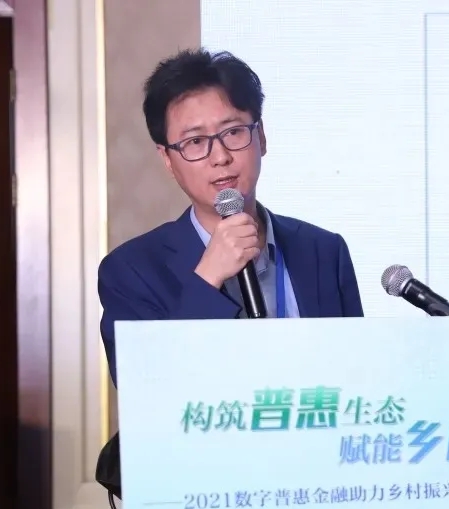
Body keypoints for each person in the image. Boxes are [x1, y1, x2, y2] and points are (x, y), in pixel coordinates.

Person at [98, 49, 364, 385]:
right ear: (167, 159)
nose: (220, 157)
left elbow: (356, 376)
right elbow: (144, 387)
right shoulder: (131, 271)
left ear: (261, 136)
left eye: (233, 132)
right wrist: (207, 277)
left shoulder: (323, 251)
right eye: (196, 141)